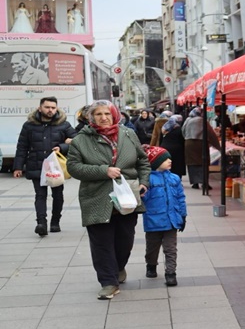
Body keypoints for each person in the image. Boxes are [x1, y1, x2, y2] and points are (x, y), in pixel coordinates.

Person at [67, 100, 151, 300]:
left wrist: (144, 182)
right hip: (96, 197)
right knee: (101, 244)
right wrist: (103, 171)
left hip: (127, 197)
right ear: (91, 117)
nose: (103, 117)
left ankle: (118, 266)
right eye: (98, 114)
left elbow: (143, 161)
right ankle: (108, 282)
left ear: (114, 115)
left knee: (125, 241)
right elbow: (73, 167)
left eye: (107, 113)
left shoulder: (128, 134)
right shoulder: (81, 140)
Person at [13, 96, 77, 236]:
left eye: (53, 108)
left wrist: (62, 147)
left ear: (57, 108)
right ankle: (41, 223)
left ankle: (55, 222)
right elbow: (22, 146)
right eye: (47, 107)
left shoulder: (63, 124)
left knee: (58, 195)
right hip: (36, 164)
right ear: (40, 108)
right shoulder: (29, 125)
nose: (50, 110)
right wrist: (18, 167)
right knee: (40, 195)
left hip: (56, 166)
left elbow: (77, 140)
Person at [141, 145, 187, 286]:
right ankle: (151, 265)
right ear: (155, 162)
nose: (169, 161)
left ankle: (171, 273)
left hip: (172, 221)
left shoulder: (174, 178)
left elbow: (180, 197)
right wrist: (141, 193)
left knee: (170, 249)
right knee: (152, 248)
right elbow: (144, 199)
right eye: (165, 159)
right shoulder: (148, 180)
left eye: (169, 158)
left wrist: (183, 215)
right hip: (153, 221)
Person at [182, 107, 221, 189]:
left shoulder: (187, 120)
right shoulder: (202, 121)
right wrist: (218, 146)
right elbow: (211, 134)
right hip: (201, 143)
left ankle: (195, 183)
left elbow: (183, 131)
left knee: (192, 164)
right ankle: (204, 183)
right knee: (203, 162)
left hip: (189, 144)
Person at [160, 115, 186, 179]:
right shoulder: (178, 129)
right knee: (177, 166)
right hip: (177, 149)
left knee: (167, 164)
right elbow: (182, 140)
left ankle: (167, 178)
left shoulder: (165, 128)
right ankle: (176, 179)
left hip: (165, 148)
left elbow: (160, 139)